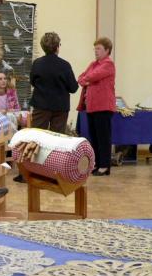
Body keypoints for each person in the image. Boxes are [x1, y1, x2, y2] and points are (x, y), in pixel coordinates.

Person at [77, 37, 116, 176]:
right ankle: (98, 164)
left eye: (98, 49)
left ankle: (105, 166)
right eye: (95, 49)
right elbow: (81, 77)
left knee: (103, 138)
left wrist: (87, 79)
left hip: (103, 107)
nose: (96, 51)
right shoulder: (93, 64)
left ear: (107, 50)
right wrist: (86, 79)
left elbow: (92, 76)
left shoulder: (108, 64)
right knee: (94, 137)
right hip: (92, 107)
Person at [29, 32, 78, 134]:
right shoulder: (65, 65)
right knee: (57, 139)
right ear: (57, 47)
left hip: (40, 105)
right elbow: (73, 88)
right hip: (60, 108)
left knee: (37, 137)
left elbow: (32, 82)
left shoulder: (37, 63)